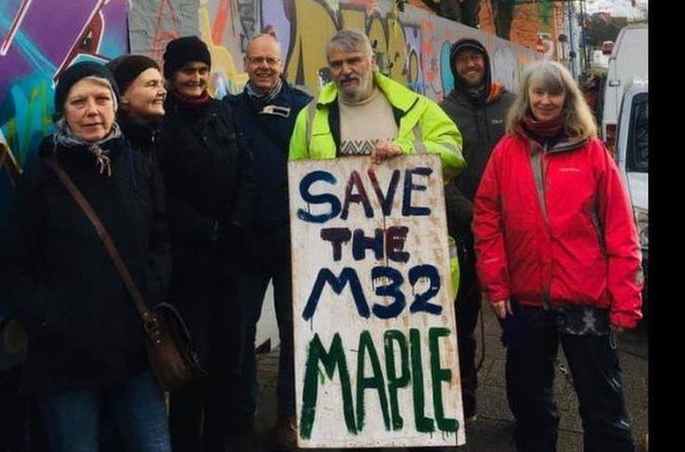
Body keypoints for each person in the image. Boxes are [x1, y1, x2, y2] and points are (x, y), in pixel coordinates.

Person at [0, 60, 172, 452]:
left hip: (133, 350)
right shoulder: (43, 178)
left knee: (153, 444)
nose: (92, 110)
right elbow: (10, 268)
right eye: (79, 102)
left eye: (101, 99)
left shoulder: (139, 167)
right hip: (66, 358)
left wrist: (148, 292)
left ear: (115, 105)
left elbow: (160, 242)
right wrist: (50, 320)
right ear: (63, 110)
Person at [474, 60, 642, 452]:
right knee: (531, 404)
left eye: (555, 92)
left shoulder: (593, 153)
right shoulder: (506, 152)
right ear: (527, 97)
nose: (546, 100)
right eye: (538, 92)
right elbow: (487, 218)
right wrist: (496, 285)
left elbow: (621, 230)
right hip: (526, 300)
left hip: (586, 301)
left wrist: (625, 301)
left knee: (603, 407)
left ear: (568, 98)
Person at [156, 36, 258, 452]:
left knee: (229, 361)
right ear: (172, 76)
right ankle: (185, 441)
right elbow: (162, 194)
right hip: (188, 266)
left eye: (201, 70)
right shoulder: (161, 124)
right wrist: (207, 229)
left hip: (231, 261)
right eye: (187, 71)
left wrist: (236, 224)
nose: (196, 78)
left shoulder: (223, 114)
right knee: (191, 363)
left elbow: (248, 173)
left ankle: (221, 439)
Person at [223, 34, 312, 450]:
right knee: (240, 331)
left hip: (295, 240)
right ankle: (241, 412)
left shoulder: (305, 108)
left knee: (296, 332)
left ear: (282, 62)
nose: (263, 66)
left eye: (270, 60)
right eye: (256, 59)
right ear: (245, 62)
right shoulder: (229, 111)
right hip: (244, 244)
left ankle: (288, 414)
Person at [438, 37, 516, 421]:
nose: (470, 64)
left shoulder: (511, 104)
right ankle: (463, 399)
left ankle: (527, 403)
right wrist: (473, 217)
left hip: (512, 233)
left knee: (519, 325)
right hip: (465, 232)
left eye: (475, 58)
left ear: (485, 62)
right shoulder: (442, 110)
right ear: (455, 67)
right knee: (460, 324)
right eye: (463, 60)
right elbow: (439, 174)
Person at [289, 29, 464, 180]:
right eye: (336, 64)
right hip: (338, 218)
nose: (346, 70)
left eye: (354, 61)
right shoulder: (309, 116)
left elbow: (454, 153)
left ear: (372, 61)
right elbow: (296, 177)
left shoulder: (417, 107)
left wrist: (406, 149)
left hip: (402, 218)